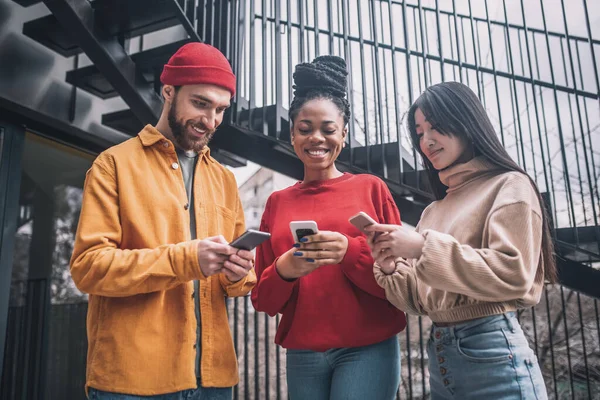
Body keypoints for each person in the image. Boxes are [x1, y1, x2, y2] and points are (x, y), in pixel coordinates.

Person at [70, 42, 256, 399]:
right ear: (168, 91)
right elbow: (88, 268)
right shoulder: (113, 165)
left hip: (215, 381)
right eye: (200, 104)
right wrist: (188, 259)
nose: (211, 120)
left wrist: (239, 272)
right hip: (134, 382)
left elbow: (239, 281)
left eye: (220, 110)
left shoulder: (225, 179)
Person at [367, 81, 554, 399]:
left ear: (467, 123)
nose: (426, 140)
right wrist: (390, 268)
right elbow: (419, 303)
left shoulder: (509, 185)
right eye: (419, 131)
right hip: (441, 359)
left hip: (492, 352)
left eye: (435, 126)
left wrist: (421, 247)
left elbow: (514, 273)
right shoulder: (433, 210)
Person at [251, 56, 406, 400]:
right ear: (292, 134)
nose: (316, 138)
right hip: (302, 353)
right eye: (304, 129)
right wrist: (285, 270)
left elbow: (400, 281)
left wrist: (349, 252)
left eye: (328, 129)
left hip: (368, 348)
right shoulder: (277, 201)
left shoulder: (371, 188)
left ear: (344, 134)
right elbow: (262, 300)